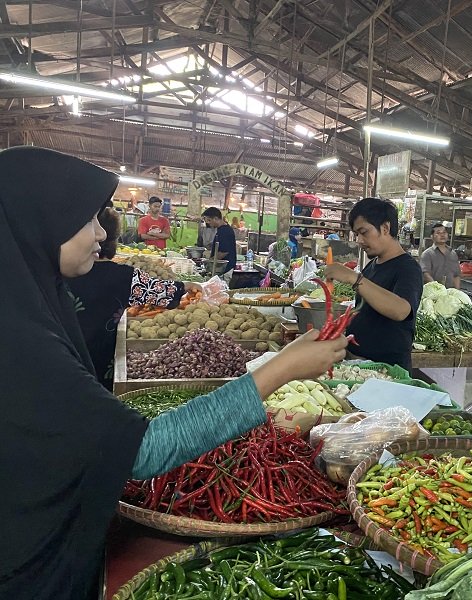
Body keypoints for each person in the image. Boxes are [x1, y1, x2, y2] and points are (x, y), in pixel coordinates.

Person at [0, 146, 348, 599]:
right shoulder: (21, 344)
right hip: (26, 567)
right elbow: (145, 450)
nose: (98, 234)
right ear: (40, 225)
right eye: (85, 221)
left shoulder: (31, 304)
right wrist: (282, 369)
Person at [67, 207, 201, 390]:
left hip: (63, 356)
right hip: (100, 359)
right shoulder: (123, 276)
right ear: (112, 239)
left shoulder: (59, 272)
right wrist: (187, 286)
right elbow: (161, 291)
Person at [323, 197, 423, 373]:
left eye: (364, 232)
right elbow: (366, 310)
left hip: (387, 370)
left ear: (385, 228)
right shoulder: (372, 266)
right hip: (360, 364)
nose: (360, 240)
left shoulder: (408, 268)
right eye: (357, 234)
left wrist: (354, 278)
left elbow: (401, 310)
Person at [419, 223, 461, 289]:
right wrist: (438, 289)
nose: (442, 235)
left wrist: (457, 291)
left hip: (450, 292)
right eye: (438, 233)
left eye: (444, 232)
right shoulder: (427, 254)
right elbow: (425, 274)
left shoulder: (453, 254)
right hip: (434, 292)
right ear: (432, 236)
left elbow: (456, 275)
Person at [201, 206, 237, 278]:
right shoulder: (220, 229)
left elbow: (223, 252)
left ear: (216, 218)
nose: (208, 223)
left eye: (209, 220)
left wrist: (209, 262)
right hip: (220, 269)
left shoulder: (225, 231)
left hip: (225, 270)